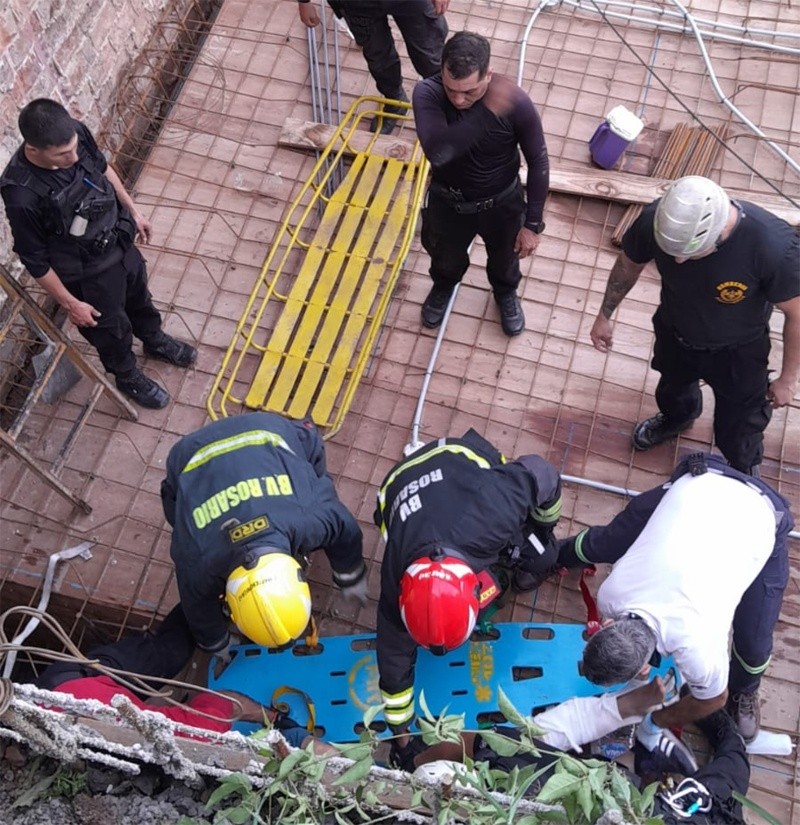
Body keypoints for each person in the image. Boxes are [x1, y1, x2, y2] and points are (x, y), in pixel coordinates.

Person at [557, 452, 793, 744]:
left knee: (754, 644)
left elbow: (713, 700)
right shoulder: (612, 595)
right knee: (607, 542)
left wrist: (656, 722)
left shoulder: (698, 652)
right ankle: (554, 556)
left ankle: (746, 688)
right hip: (699, 483)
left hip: (761, 510)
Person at [374, 428, 562, 763]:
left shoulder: (497, 509)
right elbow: (393, 668)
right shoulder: (394, 583)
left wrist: (543, 525)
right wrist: (403, 739)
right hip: (394, 489)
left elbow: (542, 471)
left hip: (457, 459)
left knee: (543, 555)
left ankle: (524, 560)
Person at [589, 175, 800, 474]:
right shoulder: (657, 219)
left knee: (741, 421)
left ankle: (741, 466)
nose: (677, 262)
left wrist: (787, 381)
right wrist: (604, 315)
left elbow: (797, 316)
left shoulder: (771, 246)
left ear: (717, 233)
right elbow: (628, 265)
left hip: (738, 352)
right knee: (673, 388)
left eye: (690, 253)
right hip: (675, 332)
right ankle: (679, 417)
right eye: (672, 252)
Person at [0, 99, 197, 410]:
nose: (74, 157)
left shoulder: (73, 134)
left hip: (118, 243)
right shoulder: (21, 194)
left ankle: (154, 340)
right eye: (63, 155)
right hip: (87, 275)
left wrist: (134, 212)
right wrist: (71, 304)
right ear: (34, 149)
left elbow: (103, 169)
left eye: (75, 148)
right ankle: (127, 375)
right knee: (111, 331)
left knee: (140, 299)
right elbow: (33, 259)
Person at [160, 412, 366, 661]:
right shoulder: (194, 561)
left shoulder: (312, 516)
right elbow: (198, 610)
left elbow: (346, 532)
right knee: (179, 510)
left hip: (255, 434)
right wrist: (217, 644)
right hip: (193, 454)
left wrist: (219, 644)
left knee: (309, 461)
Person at [415, 686, 750, 825]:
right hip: (617, 793)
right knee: (499, 747)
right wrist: (702, 699)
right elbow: (733, 752)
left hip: (585, 807)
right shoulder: (716, 804)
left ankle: (422, 768)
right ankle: (417, 761)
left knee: (504, 757)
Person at [34, 604, 325, 749]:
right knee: (168, 656)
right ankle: (204, 601)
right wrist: (281, 726)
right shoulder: (184, 738)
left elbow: (223, 703)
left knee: (168, 654)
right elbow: (219, 706)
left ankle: (205, 599)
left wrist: (273, 719)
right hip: (67, 701)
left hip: (71, 687)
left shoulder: (178, 734)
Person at [412, 31, 549, 336]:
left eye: (470, 92)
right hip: (449, 203)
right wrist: (486, 111)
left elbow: (538, 160)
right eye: (452, 90)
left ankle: (505, 292)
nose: (459, 100)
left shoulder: (515, 101)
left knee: (505, 261)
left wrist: (533, 224)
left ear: (488, 74)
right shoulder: (428, 93)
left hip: (502, 203)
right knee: (444, 258)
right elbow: (439, 152)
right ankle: (444, 286)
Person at [296, 0, 448, 134]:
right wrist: (304, 2)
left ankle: (445, 101)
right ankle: (395, 100)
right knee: (379, 58)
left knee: (430, 55)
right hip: (358, 5)